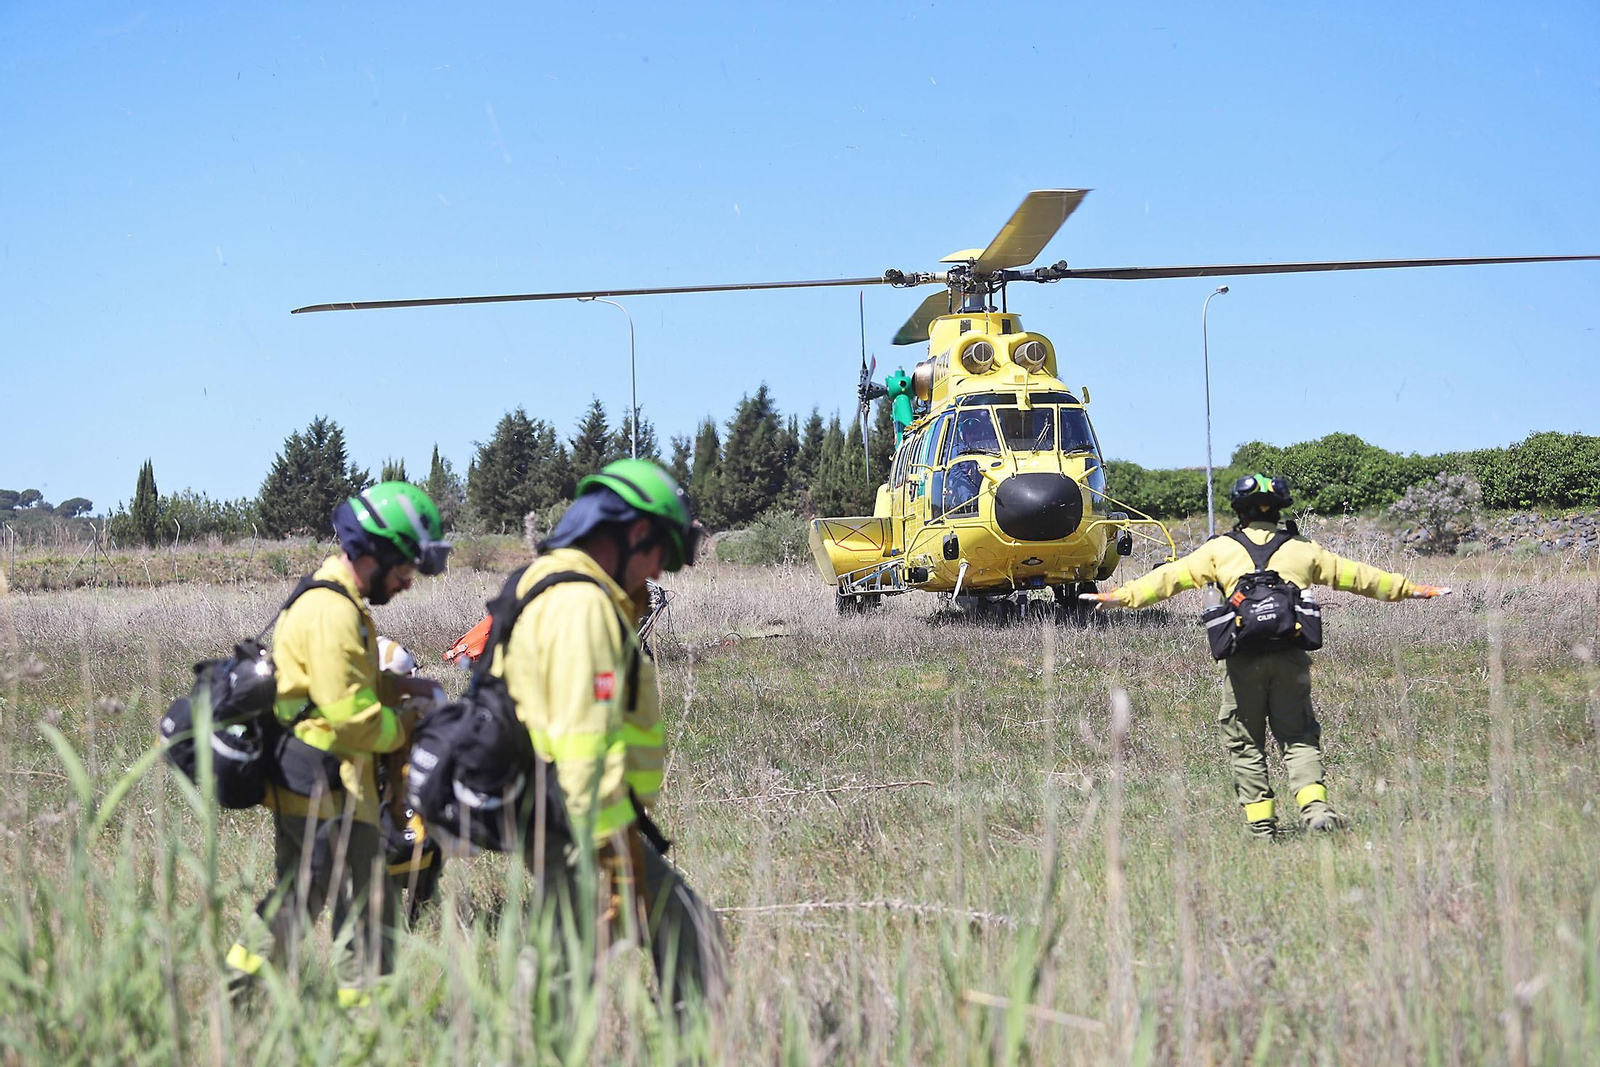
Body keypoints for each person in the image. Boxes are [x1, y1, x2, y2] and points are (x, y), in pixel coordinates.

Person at [1082, 473, 1449, 837]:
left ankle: (1261, 824)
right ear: (1279, 511)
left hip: (1241, 660)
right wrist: (1413, 590)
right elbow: (1358, 576)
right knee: (1299, 735)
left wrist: (1119, 597)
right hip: (1290, 657)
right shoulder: (1302, 550)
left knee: (1244, 740)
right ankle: (1316, 809)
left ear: (1239, 511)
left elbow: (1167, 580)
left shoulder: (1219, 550)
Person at [490, 457, 726, 1007]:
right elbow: (581, 740)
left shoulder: (549, 581)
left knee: (567, 963)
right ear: (634, 533)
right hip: (581, 823)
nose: (660, 574)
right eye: (660, 555)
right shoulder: (581, 606)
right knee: (572, 972)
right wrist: (609, 851)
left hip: (563, 814)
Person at [226, 482, 450, 1004]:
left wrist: (400, 686)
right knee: (301, 900)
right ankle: (235, 997)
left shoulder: (342, 604)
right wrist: (409, 723)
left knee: (369, 901)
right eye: (405, 568)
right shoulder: (331, 612)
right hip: (319, 784)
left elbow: (347, 684)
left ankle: (364, 1015)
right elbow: (351, 718)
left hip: (336, 785)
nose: (408, 581)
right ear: (377, 554)